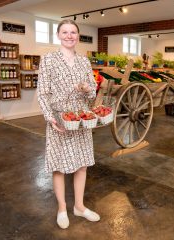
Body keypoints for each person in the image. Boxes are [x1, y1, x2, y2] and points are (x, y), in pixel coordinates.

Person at [37, 19, 100, 229]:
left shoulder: (84, 61)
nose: (69, 36)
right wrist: (50, 117)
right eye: (65, 32)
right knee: (59, 166)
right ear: (58, 35)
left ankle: (79, 207)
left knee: (82, 165)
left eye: (73, 32)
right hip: (60, 119)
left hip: (81, 119)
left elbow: (92, 94)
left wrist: (87, 89)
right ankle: (62, 207)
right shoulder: (48, 60)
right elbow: (43, 93)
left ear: (78, 36)